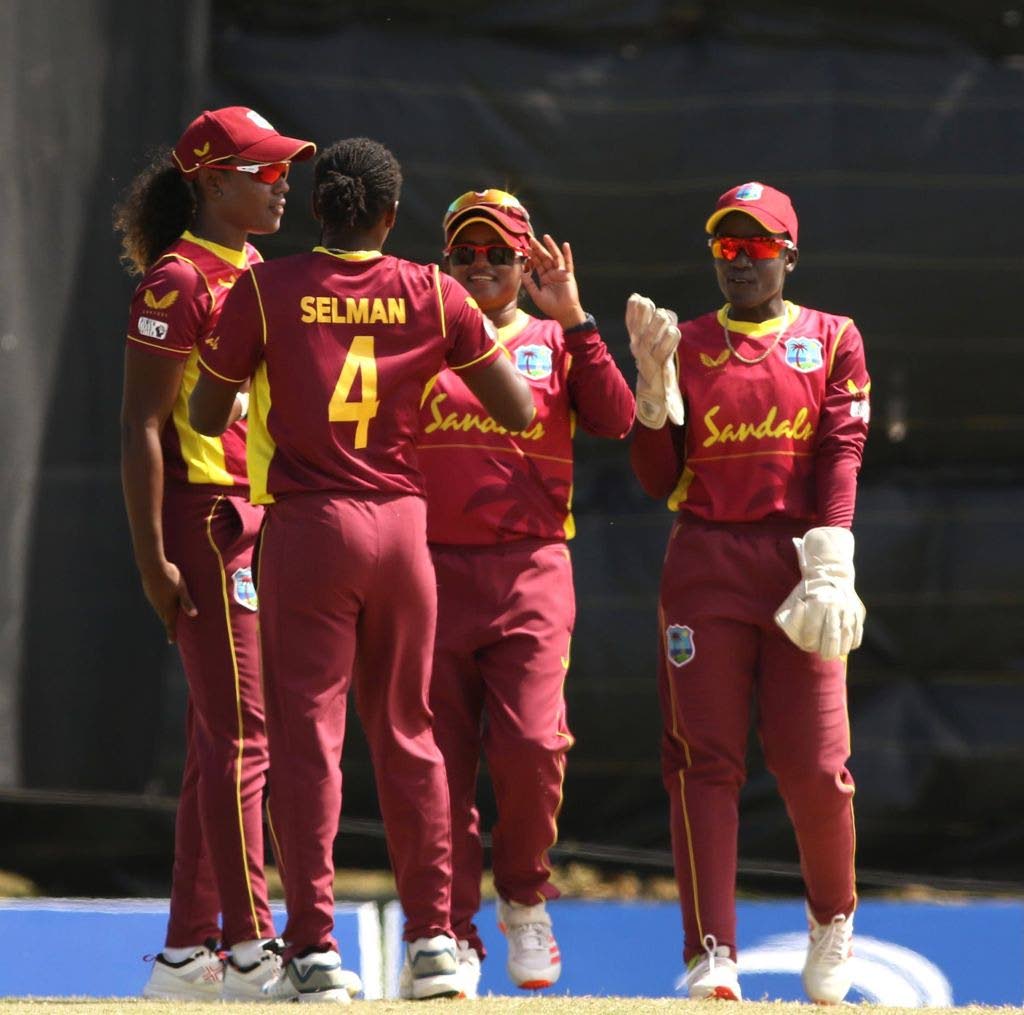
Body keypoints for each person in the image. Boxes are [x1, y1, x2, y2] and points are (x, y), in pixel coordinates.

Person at [188, 138, 535, 1002]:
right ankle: (433, 944)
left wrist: (257, 378)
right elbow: (520, 408)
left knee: (310, 741)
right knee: (411, 736)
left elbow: (203, 408)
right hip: (403, 528)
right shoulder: (432, 289)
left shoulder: (265, 289)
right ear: (389, 214)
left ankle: (313, 949)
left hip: (309, 527)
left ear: (316, 210)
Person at [627, 181, 870, 1003]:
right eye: (728, 248)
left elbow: (840, 449)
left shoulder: (832, 338)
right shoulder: (687, 340)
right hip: (705, 560)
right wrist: (653, 395)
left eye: (759, 247)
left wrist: (832, 556)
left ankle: (833, 920)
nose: (742, 262)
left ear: (789, 255)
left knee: (815, 765)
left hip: (799, 560)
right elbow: (656, 476)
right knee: (704, 763)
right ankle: (711, 951)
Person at [115, 105, 315, 1001]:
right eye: (259, 171)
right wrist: (152, 558)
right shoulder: (175, 280)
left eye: (281, 171)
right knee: (246, 739)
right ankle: (249, 950)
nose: (279, 186)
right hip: (206, 525)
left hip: (256, 516)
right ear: (208, 179)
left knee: (218, 743)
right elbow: (140, 427)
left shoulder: (257, 269)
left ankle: (186, 954)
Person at [418, 189, 635, 996]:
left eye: (498, 255)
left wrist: (577, 317)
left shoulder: (551, 336)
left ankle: (523, 895)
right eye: (466, 254)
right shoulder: (419, 331)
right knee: (436, 764)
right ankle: (449, 933)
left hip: (531, 570)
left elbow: (615, 420)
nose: (481, 266)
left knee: (534, 746)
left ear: (525, 263)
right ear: (446, 262)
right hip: (429, 569)